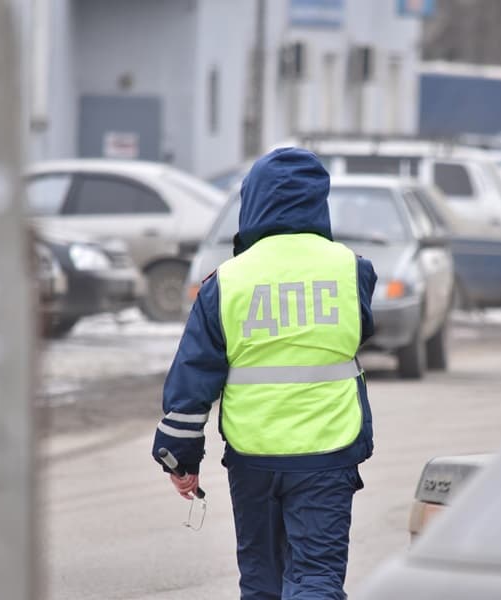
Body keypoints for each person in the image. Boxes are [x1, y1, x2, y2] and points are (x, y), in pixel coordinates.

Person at [152, 147, 377, 599]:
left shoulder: (227, 282)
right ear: (319, 201)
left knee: (261, 581)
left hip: (253, 455)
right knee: (316, 577)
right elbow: (363, 330)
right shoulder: (352, 270)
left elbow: (193, 377)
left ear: (252, 202)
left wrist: (180, 458)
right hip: (327, 451)